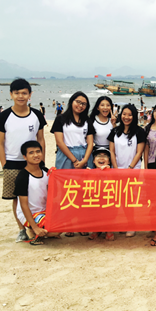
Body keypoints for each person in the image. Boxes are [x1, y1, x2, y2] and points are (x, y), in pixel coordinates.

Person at [0, 78, 46, 243]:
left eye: (24, 93)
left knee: (34, 195)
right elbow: (0, 142)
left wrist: (42, 160)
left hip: (33, 161)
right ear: (11, 94)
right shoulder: (4, 116)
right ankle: (21, 229)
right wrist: (5, 164)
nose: (20, 96)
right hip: (12, 162)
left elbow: (41, 139)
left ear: (30, 95)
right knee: (16, 197)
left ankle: (35, 225)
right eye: (17, 93)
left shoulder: (36, 115)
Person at [51, 92, 95, 237]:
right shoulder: (61, 119)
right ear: (72, 101)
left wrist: (84, 160)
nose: (80, 106)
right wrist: (74, 161)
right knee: (66, 191)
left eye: (84, 104)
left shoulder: (87, 121)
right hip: (65, 155)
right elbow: (59, 142)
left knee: (83, 191)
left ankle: (81, 224)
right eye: (78, 102)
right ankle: (69, 224)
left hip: (84, 155)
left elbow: (90, 142)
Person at [108, 104, 146, 237]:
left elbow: (139, 152)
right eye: (124, 114)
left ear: (134, 116)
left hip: (133, 170)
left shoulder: (139, 132)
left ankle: (131, 224)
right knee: (117, 197)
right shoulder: (115, 131)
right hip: (117, 169)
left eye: (130, 115)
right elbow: (112, 151)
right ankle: (116, 224)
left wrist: (130, 168)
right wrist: (116, 169)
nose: (126, 117)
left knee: (129, 198)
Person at [13, 141, 61, 245]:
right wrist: (35, 227)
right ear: (25, 157)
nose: (36, 155)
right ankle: (32, 230)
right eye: (31, 153)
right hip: (30, 213)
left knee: (64, 224)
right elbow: (23, 205)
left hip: (45, 211)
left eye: (38, 151)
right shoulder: (23, 177)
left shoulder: (46, 171)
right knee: (55, 231)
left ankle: (42, 229)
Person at [87, 147, 114, 241]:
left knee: (109, 210)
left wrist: (107, 172)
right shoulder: (90, 172)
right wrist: (89, 174)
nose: (101, 158)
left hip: (108, 200)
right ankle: (96, 230)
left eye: (105, 156)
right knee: (93, 210)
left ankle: (108, 230)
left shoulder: (112, 172)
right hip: (95, 201)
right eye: (98, 156)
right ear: (93, 161)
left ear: (109, 161)